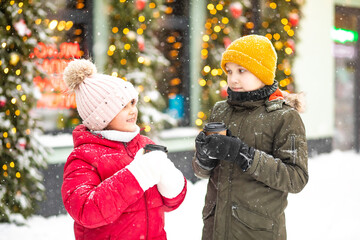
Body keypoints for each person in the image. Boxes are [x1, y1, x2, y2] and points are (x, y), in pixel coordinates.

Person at [193, 35, 308, 240]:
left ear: (262, 73)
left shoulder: (283, 117)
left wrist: (245, 155)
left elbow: (296, 178)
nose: (233, 79)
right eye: (229, 71)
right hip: (215, 230)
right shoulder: (220, 111)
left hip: (255, 232)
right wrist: (204, 156)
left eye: (242, 70)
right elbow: (203, 172)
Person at [61, 59, 187, 240]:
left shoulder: (144, 145)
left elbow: (171, 204)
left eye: (133, 103)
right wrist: (137, 175)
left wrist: (170, 181)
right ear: (101, 117)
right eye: (123, 107)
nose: (132, 111)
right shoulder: (83, 157)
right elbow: (85, 210)